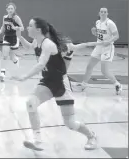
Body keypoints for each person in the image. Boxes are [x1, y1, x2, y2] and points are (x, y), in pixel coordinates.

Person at [12, 17, 97, 151]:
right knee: (30, 102)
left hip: (60, 84)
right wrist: (19, 37)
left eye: (30, 26)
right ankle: (37, 140)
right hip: (47, 82)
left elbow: (41, 64)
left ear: (38, 29)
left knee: (70, 123)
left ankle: (91, 136)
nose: (27, 28)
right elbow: (28, 47)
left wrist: (25, 76)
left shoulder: (48, 44)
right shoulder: (37, 41)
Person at [76, 7, 122, 95]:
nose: (103, 13)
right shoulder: (97, 22)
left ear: (107, 13)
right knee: (89, 66)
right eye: (102, 12)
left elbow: (116, 36)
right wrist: (94, 33)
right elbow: (100, 35)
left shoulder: (110, 23)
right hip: (98, 46)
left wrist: (108, 41)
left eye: (105, 12)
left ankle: (117, 84)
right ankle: (84, 84)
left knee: (104, 71)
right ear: (99, 13)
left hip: (108, 48)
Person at [0, 2, 24, 82]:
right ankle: (2, 73)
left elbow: (22, 28)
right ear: (6, 9)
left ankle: (16, 60)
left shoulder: (16, 18)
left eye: (12, 8)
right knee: (4, 56)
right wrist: (0, 32)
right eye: (9, 8)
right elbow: (3, 26)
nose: (10, 10)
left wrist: (15, 28)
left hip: (14, 38)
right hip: (6, 37)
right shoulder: (5, 17)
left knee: (12, 57)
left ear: (14, 9)